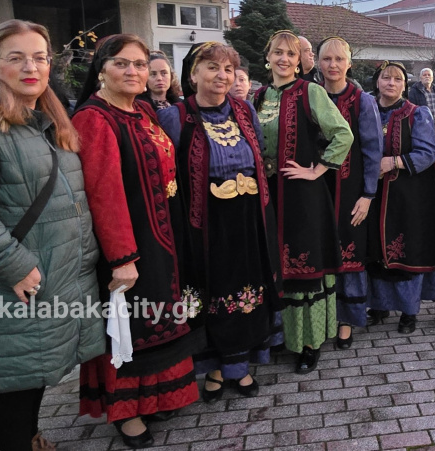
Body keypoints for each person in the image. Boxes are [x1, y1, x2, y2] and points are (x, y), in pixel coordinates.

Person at [0, 20, 104, 450]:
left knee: (34, 369)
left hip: (57, 274)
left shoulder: (45, 116)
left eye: (40, 58)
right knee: (14, 379)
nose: (32, 67)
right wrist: (15, 265)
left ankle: (29, 436)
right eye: (17, 57)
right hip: (15, 280)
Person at [73, 35, 199, 448]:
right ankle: (127, 413)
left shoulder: (143, 110)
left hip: (163, 233)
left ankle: (157, 398)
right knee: (130, 327)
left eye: (140, 64)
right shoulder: (94, 119)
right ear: (101, 69)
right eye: (121, 63)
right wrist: (122, 258)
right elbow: (103, 194)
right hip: (130, 242)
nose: (133, 72)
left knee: (161, 319)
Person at [158, 41, 282, 403]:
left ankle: (240, 368)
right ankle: (214, 368)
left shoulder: (244, 110)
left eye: (228, 69)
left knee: (249, 294)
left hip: (249, 221)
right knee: (213, 295)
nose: (222, 76)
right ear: (193, 74)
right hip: (206, 226)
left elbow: (259, 156)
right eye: (212, 67)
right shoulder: (175, 117)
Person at [253, 30, 353, 373]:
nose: (284, 59)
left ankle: (309, 343)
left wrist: (318, 169)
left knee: (304, 267)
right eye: (278, 52)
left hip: (302, 196)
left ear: (299, 61)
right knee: (275, 264)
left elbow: (343, 134)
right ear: (268, 57)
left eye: (291, 54)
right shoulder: (259, 96)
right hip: (268, 196)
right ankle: (280, 336)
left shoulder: (310, 92)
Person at [316, 37, 382, 348]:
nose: (333, 65)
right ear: (318, 62)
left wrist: (368, 195)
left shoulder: (362, 101)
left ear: (349, 64)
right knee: (318, 254)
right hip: (315, 189)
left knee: (350, 256)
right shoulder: (309, 94)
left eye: (339, 59)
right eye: (327, 59)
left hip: (351, 189)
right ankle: (321, 319)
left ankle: (346, 321)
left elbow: (372, 151)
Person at [365, 61, 435, 334]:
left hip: (408, 196)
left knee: (407, 250)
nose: (391, 83)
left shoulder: (417, 114)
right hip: (372, 196)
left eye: (398, 79)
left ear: (405, 85)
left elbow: (429, 152)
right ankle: (378, 305)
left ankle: (409, 312)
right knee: (375, 249)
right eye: (386, 78)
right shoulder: (366, 110)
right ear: (377, 82)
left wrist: (394, 162)